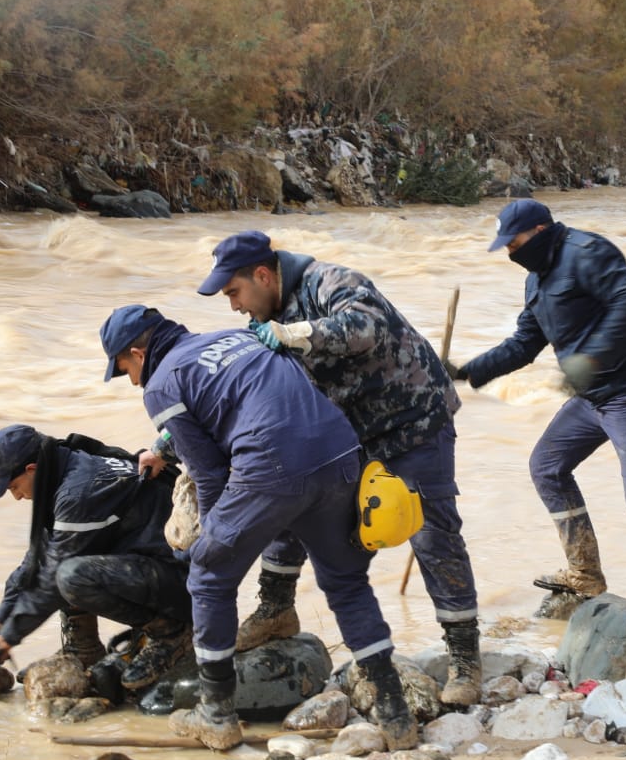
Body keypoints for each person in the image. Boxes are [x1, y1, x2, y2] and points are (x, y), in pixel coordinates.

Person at [99, 304, 417, 750]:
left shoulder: (160, 384)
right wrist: (163, 448)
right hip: (340, 452)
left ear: (137, 351)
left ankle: (216, 715)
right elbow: (244, 400)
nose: (131, 380)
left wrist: (210, 536)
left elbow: (208, 472)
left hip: (272, 464)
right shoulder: (237, 337)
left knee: (208, 576)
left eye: (124, 369)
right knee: (346, 584)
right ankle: (397, 717)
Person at [194, 230, 482, 708]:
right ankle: (276, 608)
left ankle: (465, 658)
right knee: (291, 497)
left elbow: (364, 327)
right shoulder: (266, 317)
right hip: (345, 434)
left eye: (234, 293)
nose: (234, 307)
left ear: (262, 276)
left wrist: (296, 334)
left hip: (413, 423)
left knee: (432, 534)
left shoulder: (329, 281)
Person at [446, 199, 626, 608]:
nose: (510, 252)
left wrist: (592, 358)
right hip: (592, 395)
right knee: (547, 467)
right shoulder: (536, 279)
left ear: (539, 232)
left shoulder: (587, 252)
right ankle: (585, 574)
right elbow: (524, 344)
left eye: (514, 242)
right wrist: (465, 371)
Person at [0, 424, 191, 694]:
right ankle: (83, 649)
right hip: (150, 564)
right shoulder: (63, 464)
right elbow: (37, 560)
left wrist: (4, 644)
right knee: (63, 560)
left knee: (69, 576)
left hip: (185, 581)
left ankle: (171, 632)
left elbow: (51, 580)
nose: (16, 497)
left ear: (31, 470)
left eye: (14, 486)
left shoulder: (78, 492)